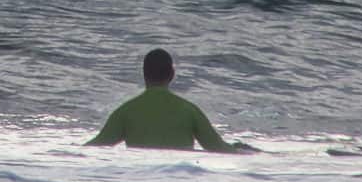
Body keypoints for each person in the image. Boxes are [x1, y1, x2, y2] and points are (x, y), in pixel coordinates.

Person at [84, 48, 252, 153]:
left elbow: (95, 146)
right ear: (172, 75)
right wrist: (245, 151)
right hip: (178, 177)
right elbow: (218, 148)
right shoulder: (189, 111)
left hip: (138, 180)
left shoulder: (125, 112)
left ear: (144, 74)